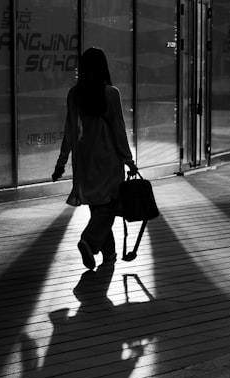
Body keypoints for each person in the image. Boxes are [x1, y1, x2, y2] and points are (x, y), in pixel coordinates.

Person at [53, 47, 138, 269]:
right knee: (107, 208)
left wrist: (61, 163)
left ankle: (109, 255)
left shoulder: (75, 95)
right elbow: (118, 132)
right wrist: (129, 160)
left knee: (98, 208)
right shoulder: (111, 94)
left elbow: (69, 132)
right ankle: (89, 241)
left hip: (85, 161)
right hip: (108, 162)